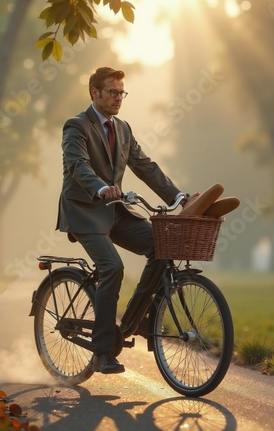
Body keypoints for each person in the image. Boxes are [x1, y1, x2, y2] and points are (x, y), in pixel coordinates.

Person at [56, 67, 198, 374]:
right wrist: (102, 187)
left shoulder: (123, 129)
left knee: (163, 246)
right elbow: (77, 166)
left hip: (115, 211)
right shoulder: (76, 126)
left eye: (122, 92)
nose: (119, 98)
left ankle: (139, 316)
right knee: (113, 267)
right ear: (95, 93)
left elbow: (145, 167)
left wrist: (179, 196)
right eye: (113, 92)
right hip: (84, 211)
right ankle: (103, 351)